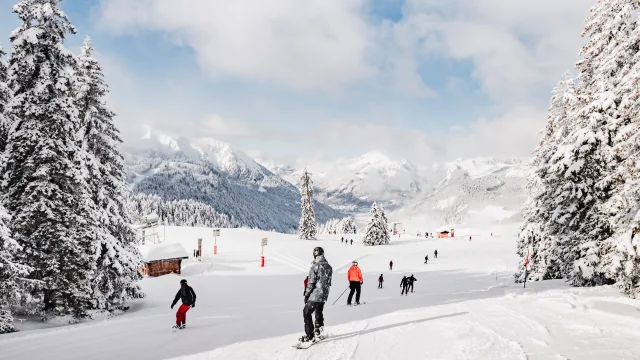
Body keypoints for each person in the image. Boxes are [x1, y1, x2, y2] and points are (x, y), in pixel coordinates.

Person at [300, 247, 333, 344]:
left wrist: (307, 295)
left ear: (315, 255)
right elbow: (328, 281)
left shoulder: (315, 266)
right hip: (324, 294)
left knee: (306, 312)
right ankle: (318, 330)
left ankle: (310, 336)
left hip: (316, 294)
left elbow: (311, 283)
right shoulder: (329, 266)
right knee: (318, 311)